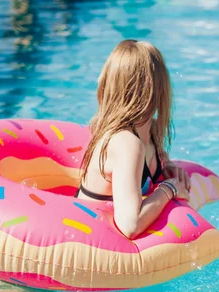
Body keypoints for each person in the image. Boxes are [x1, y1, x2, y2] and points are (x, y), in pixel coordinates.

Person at [75, 39, 190, 239]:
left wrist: (167, 166)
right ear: (158, 88)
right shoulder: (126, 143)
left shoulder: (150, 129)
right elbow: (130, 225)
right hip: (84, 240)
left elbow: (150, 162)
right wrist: (169, 188)